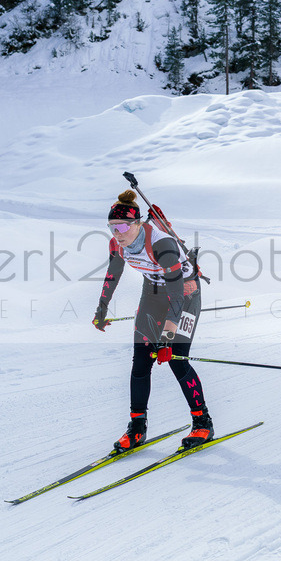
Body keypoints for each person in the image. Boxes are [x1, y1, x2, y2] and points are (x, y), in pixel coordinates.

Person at [93, 189, 214, 451]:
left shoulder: (162, 245)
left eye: (122, 226)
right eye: (112, 227)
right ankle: (137, 427)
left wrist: (167, 339)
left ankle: (203, 422)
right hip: (153, 294)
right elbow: (113, 274)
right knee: (141, 360)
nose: (117, 233)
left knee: (177, 359)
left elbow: (177, 296)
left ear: (137, 224)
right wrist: (101, 310)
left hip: (185, 295)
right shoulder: (117, 245)